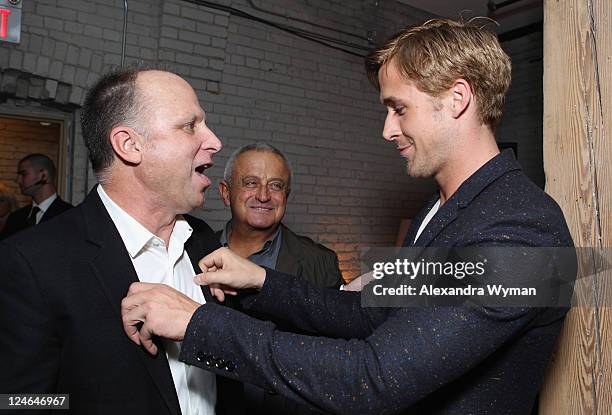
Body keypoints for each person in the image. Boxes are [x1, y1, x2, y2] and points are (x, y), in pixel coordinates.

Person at [121, 19, 574, 414]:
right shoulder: (443, 209)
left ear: (457, 98)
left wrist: (198, 324)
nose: (387, 129)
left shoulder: (523, 231)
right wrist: (261, 282)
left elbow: (374, 377)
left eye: (399, 108)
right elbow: (371, 316)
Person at [0, 68, 242, 414]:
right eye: (190, 125)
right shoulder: (31, 261)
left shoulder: (202, 240)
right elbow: (16, 402)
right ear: (129, 145)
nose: (214, 141)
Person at [218, 143, 342, 414]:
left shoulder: (318, 262)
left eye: (276, 186)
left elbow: (334, 356)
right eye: (251, 182)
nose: (263, 195)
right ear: (226, 193)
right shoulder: (194, 253)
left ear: (287, 196)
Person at [0, 153, 73, 239]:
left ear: (43, 176)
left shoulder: (70, 216)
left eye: (23, 174)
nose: (17, 180)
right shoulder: (15, 218)